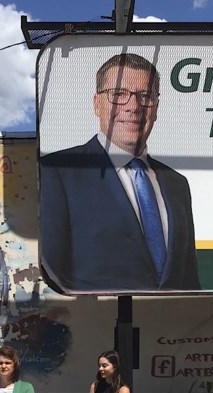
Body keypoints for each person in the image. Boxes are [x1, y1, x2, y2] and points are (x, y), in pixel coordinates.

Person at [39, 52, 200, 293]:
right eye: (118, 95)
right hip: (96, 326)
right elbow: (52, 276)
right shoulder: (57, 172)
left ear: (156, 107)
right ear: (97, 104)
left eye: (145, 96)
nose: (133, 107)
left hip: (169, 327)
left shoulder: (177, 183)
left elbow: (188, 280)